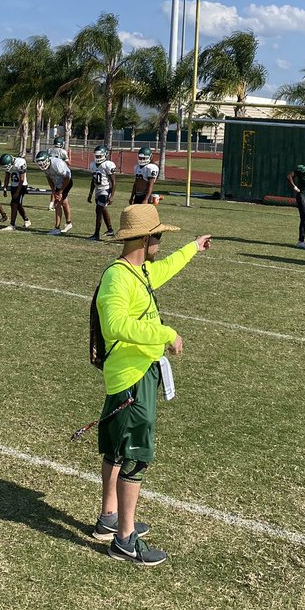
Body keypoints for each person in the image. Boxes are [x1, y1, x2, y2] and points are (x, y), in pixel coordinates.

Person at [94, 203, 212, 565]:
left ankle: (109, 519)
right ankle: (125, 541)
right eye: (158, 235)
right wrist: (165, 333)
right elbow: (114, 324)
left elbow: (161, 271)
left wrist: (192, 248)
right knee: (135, 456)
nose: (160, 240)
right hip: (130, 378)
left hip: (136, 371)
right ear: (145, 239)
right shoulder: (118, 277)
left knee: (116, 448)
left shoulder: (139, 271)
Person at [36, 150, 73, 234]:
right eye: (40, 163)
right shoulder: (46, 167)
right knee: (64, 202)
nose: (42, 165)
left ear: (47, 159)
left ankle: (57, 228)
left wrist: (60, 191)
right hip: (58, 183)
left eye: (43, 162)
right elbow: (49, 178)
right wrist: (53, 190)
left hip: (66, 182)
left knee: (57, 203)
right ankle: (68, 223)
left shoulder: (57, 165)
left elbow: (67, 178)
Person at [87, 145, 117, 240]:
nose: (98, 158)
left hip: (105, 189)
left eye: (100, 156)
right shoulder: (92, 165)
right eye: (96, 156)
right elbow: (93, 180)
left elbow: (113, 181)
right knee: (103, 209)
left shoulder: (108, 164)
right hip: (97, 190)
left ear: (105, 155)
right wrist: (90, 193)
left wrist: (111, 196)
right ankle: (110, 230)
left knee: (98, 210)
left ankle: (96, 234)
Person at [1, 151, 31, 230]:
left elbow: (22, 179)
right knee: (18, 205)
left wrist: (18, 192)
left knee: (14, 204)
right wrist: (5, 188)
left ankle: (12, 224)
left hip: (21, 186)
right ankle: (26, 220)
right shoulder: (9, 164)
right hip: (14, 185)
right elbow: (7, 175)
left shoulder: (20, 162)